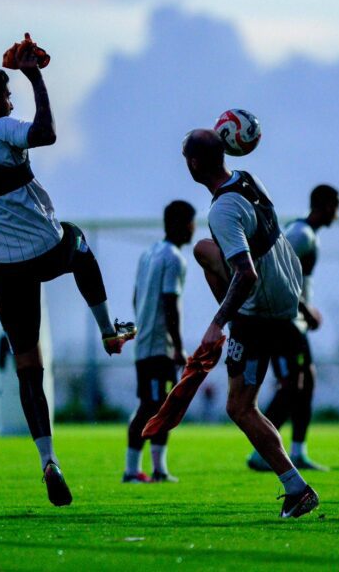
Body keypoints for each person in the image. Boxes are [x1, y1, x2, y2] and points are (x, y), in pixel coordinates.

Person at [0, 49, 135, 507]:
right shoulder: (0, 129)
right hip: (44, 250)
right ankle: (109, 331)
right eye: (7, 94)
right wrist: (34, 78)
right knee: (79, 241)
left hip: (2, 268)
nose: (11, 101)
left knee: (28, 368)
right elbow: (45, 133)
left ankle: (48, 459)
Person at [184, 129, 319, 518]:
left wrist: (218, 322)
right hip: (287, 297)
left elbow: (246, 274)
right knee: (203, 249)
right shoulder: (248, 178)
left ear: (194, 164)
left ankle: (297, 488)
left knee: (240, 408)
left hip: (260, 312)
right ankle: (294, 481)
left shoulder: (221, 211)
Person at [248, 185, 339, 472]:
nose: (337, 214)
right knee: (291, 385)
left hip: (294, 322)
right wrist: (304, 307)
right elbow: (273, 272)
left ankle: (298, 451)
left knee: (306, 381)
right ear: (326, 205)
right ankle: (261, 452)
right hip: (283, 321)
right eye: (336, 207)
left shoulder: (307, 233)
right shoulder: (301, 234)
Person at [123, 200, 196, 483]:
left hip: (146, 342)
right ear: (179, 224)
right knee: (152, 406)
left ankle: (158, 470)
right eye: (191, 222)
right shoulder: (174, 258)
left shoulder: (149, 254)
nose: (193, 229)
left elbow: (135, 297)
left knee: (160, 405)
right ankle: (133, 470)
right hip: (158, 346)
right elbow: (170, 303)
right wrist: (177, 345)